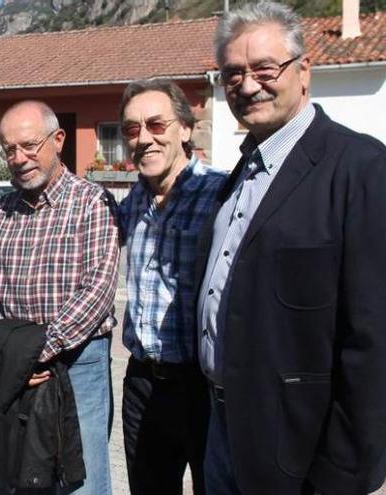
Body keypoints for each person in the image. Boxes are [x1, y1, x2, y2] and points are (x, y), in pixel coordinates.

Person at [196, 3, 386, 494]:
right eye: (233, 73)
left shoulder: (361, 169)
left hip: (299, 450)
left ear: (304, 72)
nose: (247, 84)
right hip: (224, 431)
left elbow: (373, 340)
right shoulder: (240, 176)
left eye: (264, 69)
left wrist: (342, 473)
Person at [0, 100, 120, 494]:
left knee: (81, 476)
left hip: (77, 360)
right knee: (25, 473)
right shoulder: (2, 209)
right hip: (20, 364)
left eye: (29, 145)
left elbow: (99, 288)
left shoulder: (92, 202)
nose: (19, 158)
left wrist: (39, 348)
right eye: (9, 149)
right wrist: (11, 351)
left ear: (58, 140)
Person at [116, 80, 226, 495]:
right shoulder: (132, 203)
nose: (143, 138)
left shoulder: (222, 193)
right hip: (142, 381)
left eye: (156, 124)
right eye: (131, 129)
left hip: (202, 386)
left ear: (184, 128)